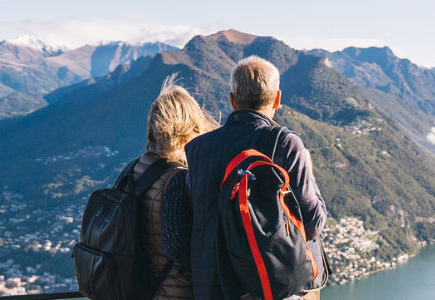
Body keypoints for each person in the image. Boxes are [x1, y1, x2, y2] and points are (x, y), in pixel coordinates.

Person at [182, 57, 329, 300]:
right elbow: (313, 223)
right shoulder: (285, 143)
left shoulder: (196, 149)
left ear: (232, 100)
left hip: (212, 287)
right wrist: (310, 175)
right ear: (277, 99)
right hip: (267, 287)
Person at [130, 78, 219, 299]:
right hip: (175, 292)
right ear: (187, 126)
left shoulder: (134, 169)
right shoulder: (177, 177)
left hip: (140, 287)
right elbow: (175, 243)